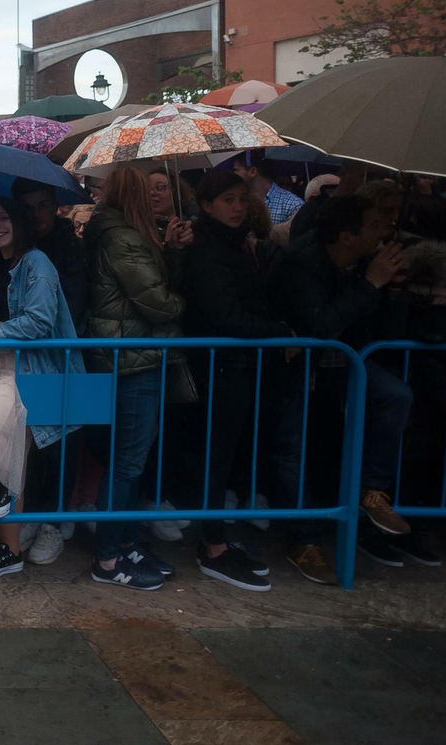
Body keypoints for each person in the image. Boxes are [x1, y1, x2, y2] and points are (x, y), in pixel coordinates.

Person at [270, 193, 413, 570]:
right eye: (374, 225)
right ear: (347, 237)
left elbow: (385, 331)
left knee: (395, 395)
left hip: (345, 364)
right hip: (296, 368)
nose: (384, 231)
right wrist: (372, 284)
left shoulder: (365, 262)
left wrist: (395, 289)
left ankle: (372, 491)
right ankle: (303, 539)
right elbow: (319, 326)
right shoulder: (301, 261)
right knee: (291, 449)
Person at [0, 196, 85, 582]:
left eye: (3, 218)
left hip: (24, 370)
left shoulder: (36, 263)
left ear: (18, 221)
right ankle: (9, 551)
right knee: (9, 454)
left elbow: (39, 320)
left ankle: (1, 492)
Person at [180, 170, 290, 591]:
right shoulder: (207, 249)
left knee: (224, 457)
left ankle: (217, 541)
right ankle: (213, 547)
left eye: (243, 199)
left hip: (234, 366)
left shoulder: (235, 244)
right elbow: (226, 315)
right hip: (218, 368)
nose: (238, 207)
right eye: (228, 199)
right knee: (216, 457)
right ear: (207, 205)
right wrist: (279, 331)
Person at [84, 165, 185, 591]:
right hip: (133, 360)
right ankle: (108, 560)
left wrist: (169, 251)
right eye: (149, 190)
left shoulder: (115, 232)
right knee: (127, 463)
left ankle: (125, 543)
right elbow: (159, 304)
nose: (156, 196)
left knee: (128, 461)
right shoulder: (123, 238)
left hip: (127, 357)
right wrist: (183, 300)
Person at [13, 179, 89, 329]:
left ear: (55, 206)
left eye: (43, 206)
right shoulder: (14, 246)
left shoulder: (72, 248)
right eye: (28, 208)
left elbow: (73, 305)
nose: (36, 214)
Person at [236, 153, 303, 226]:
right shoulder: (239, 201)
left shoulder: (292, 205)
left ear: (252, 172)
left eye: (236, 170)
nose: (234, 174)